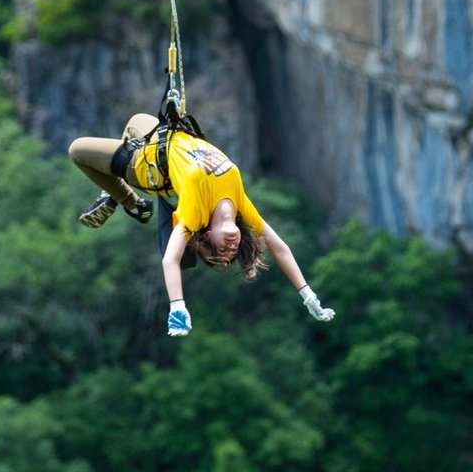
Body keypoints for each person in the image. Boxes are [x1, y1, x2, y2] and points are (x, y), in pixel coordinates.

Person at [69, 112, 335, 336]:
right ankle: (113, 191)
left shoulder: (195, 212)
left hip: (146, 168)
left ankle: (129, 201)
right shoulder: (241, 204)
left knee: (77, 150)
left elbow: (170, 260)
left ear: (206, 234)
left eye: (220, 250)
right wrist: (308, 295)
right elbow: (280, 248)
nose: (230, 248)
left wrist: (177, 306)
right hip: (163, 137)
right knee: (137, 120)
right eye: (232, 252)